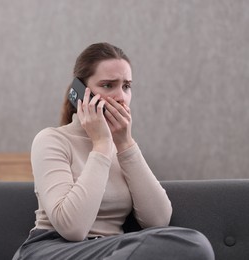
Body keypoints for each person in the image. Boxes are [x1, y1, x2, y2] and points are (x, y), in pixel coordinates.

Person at [12, 42, 214, 260]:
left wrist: (125, 145)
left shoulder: (122, 148)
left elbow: (158, 221)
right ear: (79, 93)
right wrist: (100, 145)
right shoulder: (52, 139)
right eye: (108, 85)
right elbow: (73, 229)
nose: (121, 96)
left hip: (111, 250)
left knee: (193, 243)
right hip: (53, 249)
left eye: (126, 86)